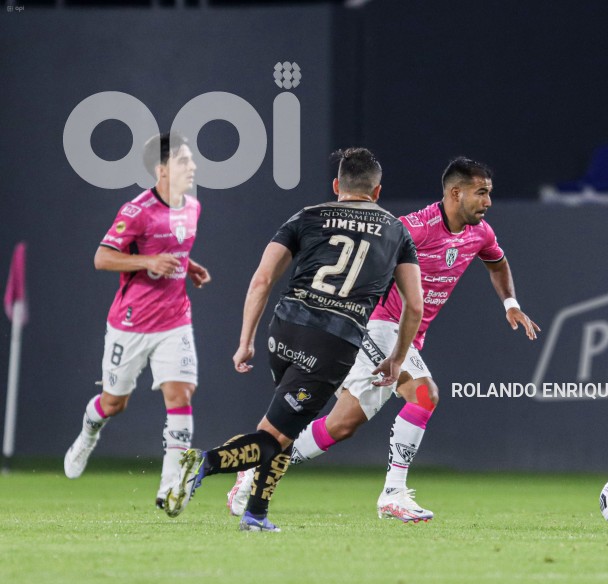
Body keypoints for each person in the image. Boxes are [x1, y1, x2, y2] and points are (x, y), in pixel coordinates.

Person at [225, 157, 540, 523]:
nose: (488, 201)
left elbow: (497, 262)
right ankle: (393, 494)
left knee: (341, 425)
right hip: (378, 325)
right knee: (424, 394)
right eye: (481, 193)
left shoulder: (480, 233)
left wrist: (511, 304)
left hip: (407, 334)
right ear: (456, 193)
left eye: (489, 193)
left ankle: (255, 464)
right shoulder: (413, 229)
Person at [163, 147, 423, 532]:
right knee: (276, 435)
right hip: (332, 340)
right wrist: (398, 358)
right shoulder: (396, 231)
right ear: (377, 191)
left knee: (287, 426)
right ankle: (204, 462)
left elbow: (262, 279)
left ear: (336, 186)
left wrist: (246, 341)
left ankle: (256, 514)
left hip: (284, 328)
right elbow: (414, 305)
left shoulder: (307, 216)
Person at [63, 131, 211, 509]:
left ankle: (169, 488)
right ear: (162, 170)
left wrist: (188, 266)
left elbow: (171, 248)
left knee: (180, 395)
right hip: (130, 323)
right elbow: (102, 258)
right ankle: (88, 434)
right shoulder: (137, 211)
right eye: (183, 160)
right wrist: (148, 261)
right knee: (114, 403)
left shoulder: (192, 207)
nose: (192, 166)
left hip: (175, 319)